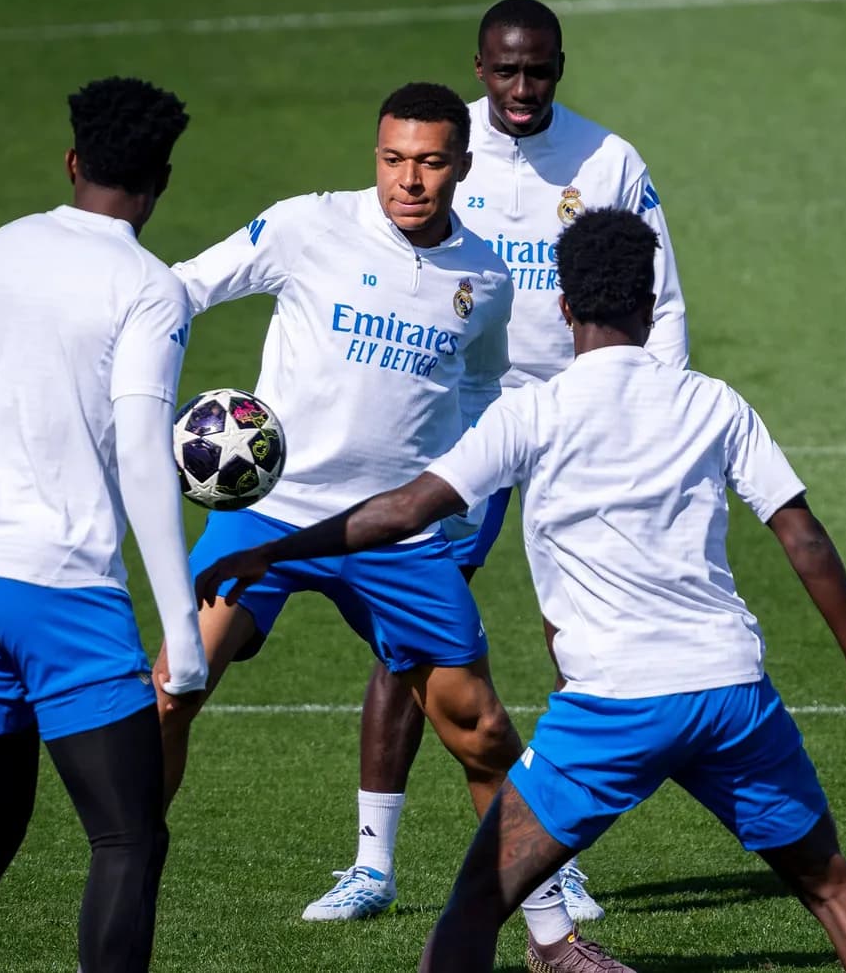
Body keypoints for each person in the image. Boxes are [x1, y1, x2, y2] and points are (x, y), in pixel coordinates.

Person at [193, 209, 846, 973]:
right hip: (731, 692)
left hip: (612, 707)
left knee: (474, 907)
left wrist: (277, 549)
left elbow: (405, 511)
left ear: (564, 306)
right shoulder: (714, 403)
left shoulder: (533, 411)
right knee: (833, 890)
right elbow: (802, 535)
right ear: (650, 304)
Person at [155, 80, 622, 966]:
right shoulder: (306, 225)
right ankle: (129, 872)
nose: (409, 180)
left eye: (431, 162)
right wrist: (147, 400)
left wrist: (464, 498)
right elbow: (181, 292)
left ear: (462, 165)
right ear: (377, 155)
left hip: (396, 537)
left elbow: (483, 389)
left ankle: (554, 942)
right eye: (394, 159)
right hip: (269, 515)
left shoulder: (483, 278)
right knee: (176, 684)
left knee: (482, 731)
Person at [339, 0, 691, 927]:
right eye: (506, 71)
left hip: (585, 418)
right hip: (473, 419)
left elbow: (665, 297)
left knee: (577, 626)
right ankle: (373, 862)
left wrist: (652, 412)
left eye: (539, 71)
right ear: (481, 66)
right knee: (419, 628)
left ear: (561, 65)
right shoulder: (444, 149)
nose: (523, 89)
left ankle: (552, 851)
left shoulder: (609, 158)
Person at [0, 76, 203, 973]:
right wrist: (181, 630)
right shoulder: (149, 288)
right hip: (63, 597)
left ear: (74, 162)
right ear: (163, 181)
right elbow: (146, 455)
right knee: (128, 840)